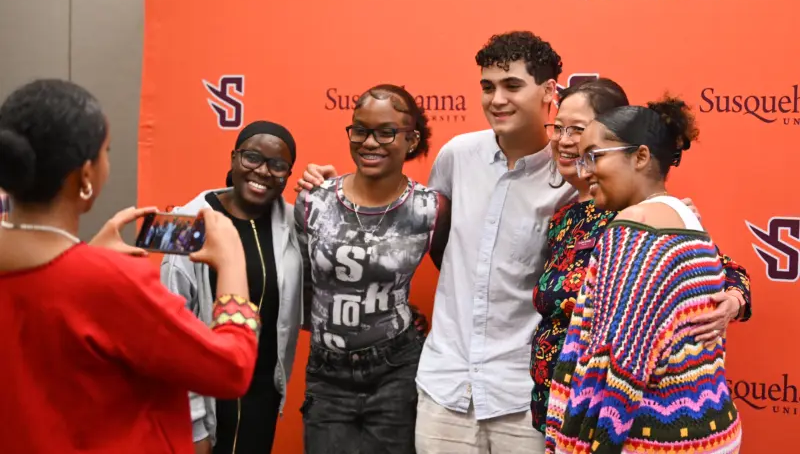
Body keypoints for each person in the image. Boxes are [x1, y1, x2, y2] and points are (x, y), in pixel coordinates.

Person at [298, 32, 573, 452]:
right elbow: (436, 239)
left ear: (549, 90)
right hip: (444, 387)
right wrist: (327, 187)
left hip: (521, 392)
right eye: (487, 87)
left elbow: (629, 211)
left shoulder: (570, 177)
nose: (497, 99)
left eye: (512, 85)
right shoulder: (457, 155)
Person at [0, 79, 260, 454]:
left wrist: (87, 256)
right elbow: (230, 370)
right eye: (106, 151)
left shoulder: (85, 274)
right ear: (86, 175)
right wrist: (233, 262)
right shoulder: (111, 282)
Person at [532, 79, 752, 439]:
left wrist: (730, 302)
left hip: (604, 423)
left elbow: (622, 369)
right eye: (558, 128)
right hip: (563, 412)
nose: (564, 139)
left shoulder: (644, 219)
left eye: (579, 131)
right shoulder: (565, 219)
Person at [295, 84, 450, 454]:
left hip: (396, 369)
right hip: (327, 374)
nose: (370, 142)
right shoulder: (314, 200)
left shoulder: (430, 210)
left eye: (386, 132)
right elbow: (297, 280)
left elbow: (458, 282)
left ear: (411, 139)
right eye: (360, 129)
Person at [161, 121, 304, 454]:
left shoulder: (294, 223)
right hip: (205, 398)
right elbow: (172, 333)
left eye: (277, 165)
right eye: (251, 157)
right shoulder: (186, 221)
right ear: (233, 158)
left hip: (263, 395)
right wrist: (194, 421)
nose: (263, 171)